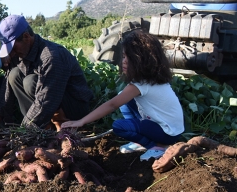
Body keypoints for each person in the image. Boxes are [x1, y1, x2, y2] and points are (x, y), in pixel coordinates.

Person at [61, 30, 184, 161]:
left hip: (167, 133)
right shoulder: (153, 78)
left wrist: (81, 121)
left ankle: (155, 147)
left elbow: (112, 104)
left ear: (141, 60)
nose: (123, 61)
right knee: (124, 98)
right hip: (171, 128)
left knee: (119, 126)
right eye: (124, 56)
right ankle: (141, 141)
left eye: (128, 57)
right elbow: (120, 100)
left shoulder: (141, 84)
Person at [0, 15, 94, 133]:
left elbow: (46, 99)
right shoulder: (18, 52)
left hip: (73, 106)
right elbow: (6, 88)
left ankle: (59, 126)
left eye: (13, 48)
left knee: (30, 82)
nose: (11, 53)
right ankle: (43, 128)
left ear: (26, 37)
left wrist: (23, 131)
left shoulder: (51, 56)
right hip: (48, 101)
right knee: (14, 75)